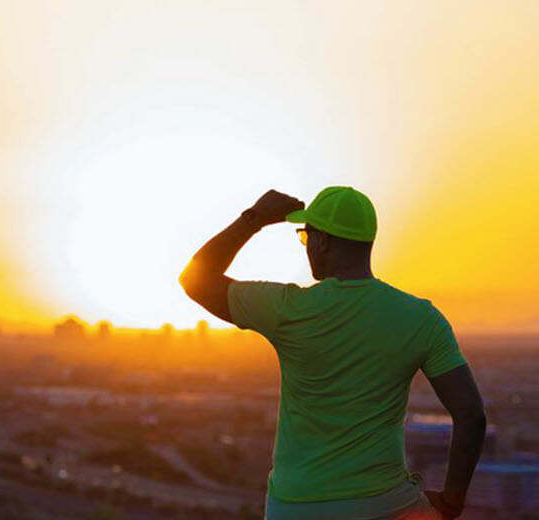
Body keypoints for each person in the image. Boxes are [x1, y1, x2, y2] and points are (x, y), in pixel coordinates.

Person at [180, 187, 487, 520]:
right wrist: (453, 501)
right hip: (385, 505)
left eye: (305, 237)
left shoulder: (288, 308)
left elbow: (195, 280)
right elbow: (470, 414)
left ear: (322, 242)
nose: (306, 247)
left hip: (295, 508)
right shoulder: (422, 319)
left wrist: (253, 218)